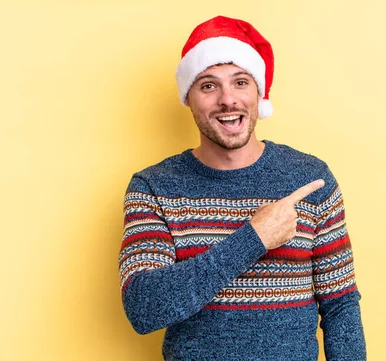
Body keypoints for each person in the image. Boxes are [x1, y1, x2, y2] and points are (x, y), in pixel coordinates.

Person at [118, 15, 366, 361]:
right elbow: (144, 310)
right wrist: (254, 237)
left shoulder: (309, 179)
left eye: (240, 83)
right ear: (188, 97)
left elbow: (340, 307)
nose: (227, 100)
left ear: (258, 93)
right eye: (208, 85)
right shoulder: (154, 187)